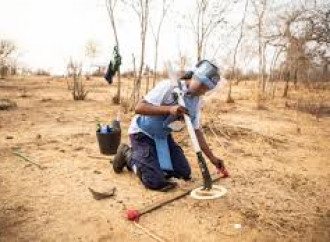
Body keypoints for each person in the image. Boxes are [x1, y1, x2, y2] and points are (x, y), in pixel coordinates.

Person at [112, 60, 227, 191]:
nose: (202, 91)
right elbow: (139, 108)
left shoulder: (196, 102)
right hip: (142, 133)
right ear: (195, 76)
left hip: (163, 137)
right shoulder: (168, 87)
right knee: (155, 181)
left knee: (183, 173)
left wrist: (212, 158)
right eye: (202, 85)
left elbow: (196, 131)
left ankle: (149, 159)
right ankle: (128, 154)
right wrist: (169, 109)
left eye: (206, 89)